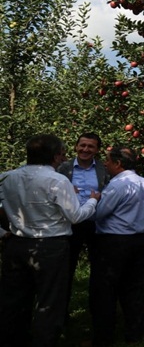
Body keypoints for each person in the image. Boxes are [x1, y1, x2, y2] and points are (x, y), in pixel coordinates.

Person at [0, 134, 101, 347]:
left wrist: (2, 232)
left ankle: (14, 339)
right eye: (62, 154)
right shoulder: (57, 180)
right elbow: (75, 216)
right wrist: (92, 201)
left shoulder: (8, 177)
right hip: (50, 246)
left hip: (17, 245)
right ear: (55, 156)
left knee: (15, 300)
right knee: (49, 301)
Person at [89, 146, 144, 346]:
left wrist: (93, 200)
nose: (105, 164)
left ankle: (103, 336)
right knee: (134, 287)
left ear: (118, 163)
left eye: (108, 161)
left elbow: (100, 213)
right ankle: (135, 333)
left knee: (105, 289)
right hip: (139, 240)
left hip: (114, 241)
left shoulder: (117, 185)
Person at [57, 132, 110, 313]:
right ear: (76, 146)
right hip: (70, 223)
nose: (85, 149)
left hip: (95, 223)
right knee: (65, 270)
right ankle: (61, 314)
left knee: (100, 270)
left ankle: (97, 312)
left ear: (97, 150)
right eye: (82, 145)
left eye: (90, 146)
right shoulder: (64, 168)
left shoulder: (103, 170)